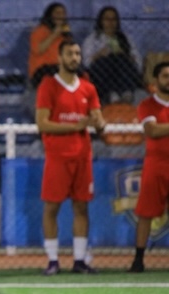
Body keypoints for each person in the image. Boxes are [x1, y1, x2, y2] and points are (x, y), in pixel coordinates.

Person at [35, 40, 106, 275]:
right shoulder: (48, 86)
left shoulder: (88, 88)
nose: (74, 58)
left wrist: (99, 123)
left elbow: (98, 121)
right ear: (59, 57)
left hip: (82, 156)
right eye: (69, 53)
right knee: (51, 207)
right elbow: (42, 124)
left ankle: (79, 260)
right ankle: (52, 260)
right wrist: (75, 126)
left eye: (77, 53)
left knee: (81, 207)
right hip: (58, 156)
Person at [128, 61, 169, 273]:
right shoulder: (147, 105)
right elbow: (152, 130)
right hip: (156, 165)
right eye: (165, 76)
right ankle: (138, 260)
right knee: (146, 212)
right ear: (156, 80)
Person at [82, 6, 142, 105]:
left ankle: (126, 92)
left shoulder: (125, 38)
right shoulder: (93, 39)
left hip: (122, 69)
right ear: (101, 21)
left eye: (113, 19)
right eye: (107, 19)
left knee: (119, 59)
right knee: (107, 61)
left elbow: (138, 63)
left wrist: (125, 55)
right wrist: (99, 54)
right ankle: (111, 93)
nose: (110, 22)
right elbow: (86, 63)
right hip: (103, 70)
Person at [29, 2, 74, 88]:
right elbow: (38, 50)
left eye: (63, 13)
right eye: (57, 13)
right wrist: (54, 34)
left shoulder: (65, 35)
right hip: (42, 70)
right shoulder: (40, 30)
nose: (61, 16)